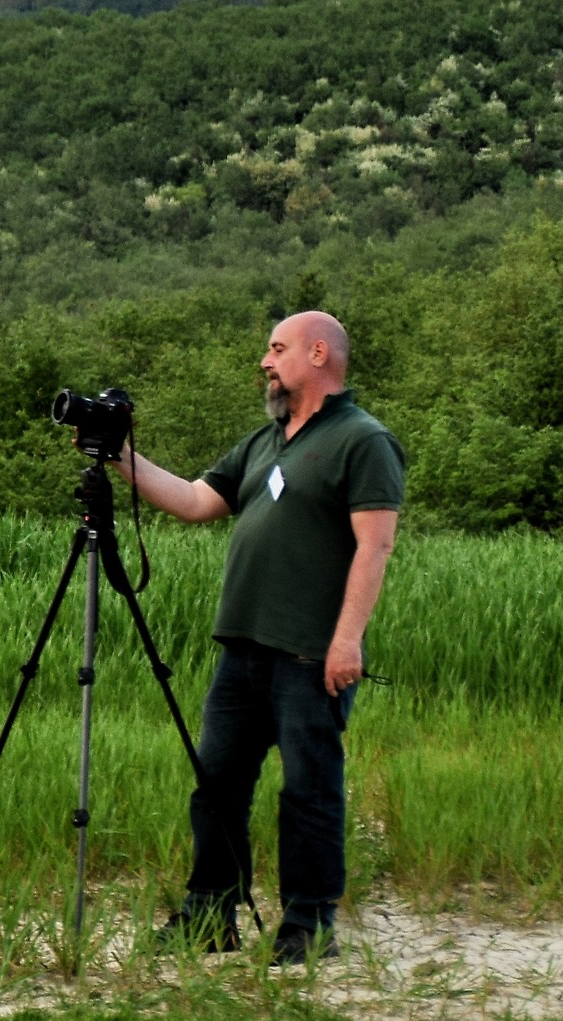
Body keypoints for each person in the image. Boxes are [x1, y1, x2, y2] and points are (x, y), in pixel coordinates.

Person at [112, 310, 403, 963]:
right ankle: (211, 914)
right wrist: (121, 458)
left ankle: (309, 924)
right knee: (215, 783)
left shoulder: (363, 441)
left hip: (310, 652)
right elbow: (192, 501)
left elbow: (375, 544)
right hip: (242, 650)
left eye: (277, 350)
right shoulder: (264, 441)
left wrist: (347, 639)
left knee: (309, 787)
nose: (265, 363)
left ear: (319, 353)